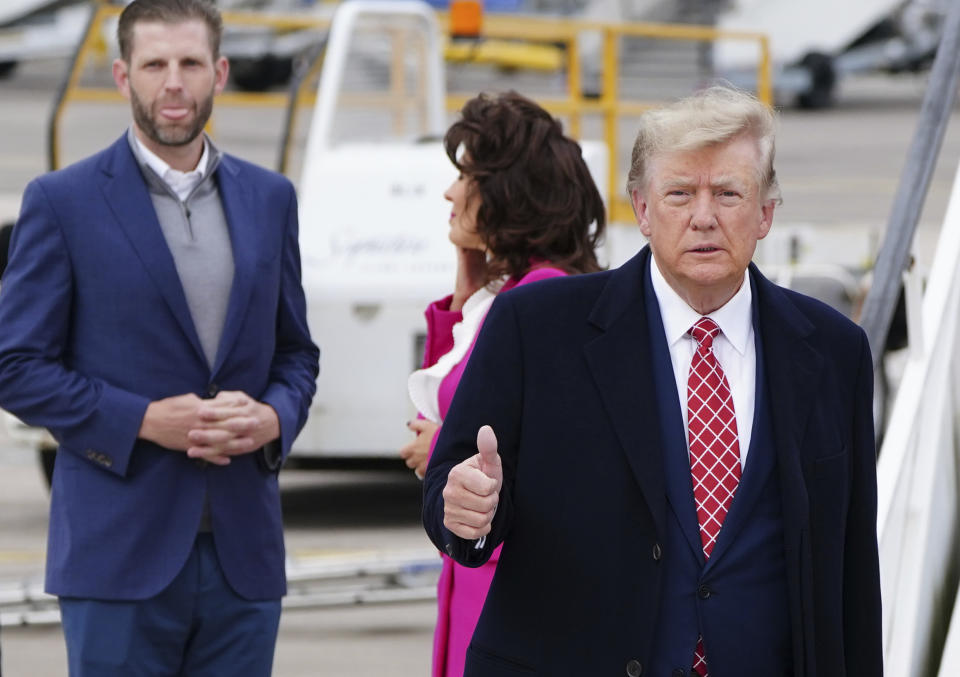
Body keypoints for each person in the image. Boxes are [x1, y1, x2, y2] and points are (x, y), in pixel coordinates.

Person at [422, 86, 882, 676]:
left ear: (765, 213)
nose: (704, 216)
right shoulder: (536, 329)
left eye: (729, 193)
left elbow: (852, 571)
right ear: (641, 209)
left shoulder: (833, 352)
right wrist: (464, 508)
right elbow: (453, 491)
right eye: (680, 193)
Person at [0, 0, 319, 674]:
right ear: (123, 76)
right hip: (116, 558)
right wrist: (142, 419)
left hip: (244, 559)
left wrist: (272, 416)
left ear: (220, 72)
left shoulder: (271, 199)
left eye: (190, 63)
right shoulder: (63, 201)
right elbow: (16, 364)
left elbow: (295, 352)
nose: (173, 82)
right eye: (154, 64)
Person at [402, 91, 606, 677]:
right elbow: (460, 408)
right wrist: (464, 291)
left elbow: (552, 455)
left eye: (464, 176)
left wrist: (437, 447)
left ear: (508, 190)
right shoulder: (518, 292)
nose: (450, 192)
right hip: (475, 571)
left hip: (508, 588)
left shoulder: (542, 301)